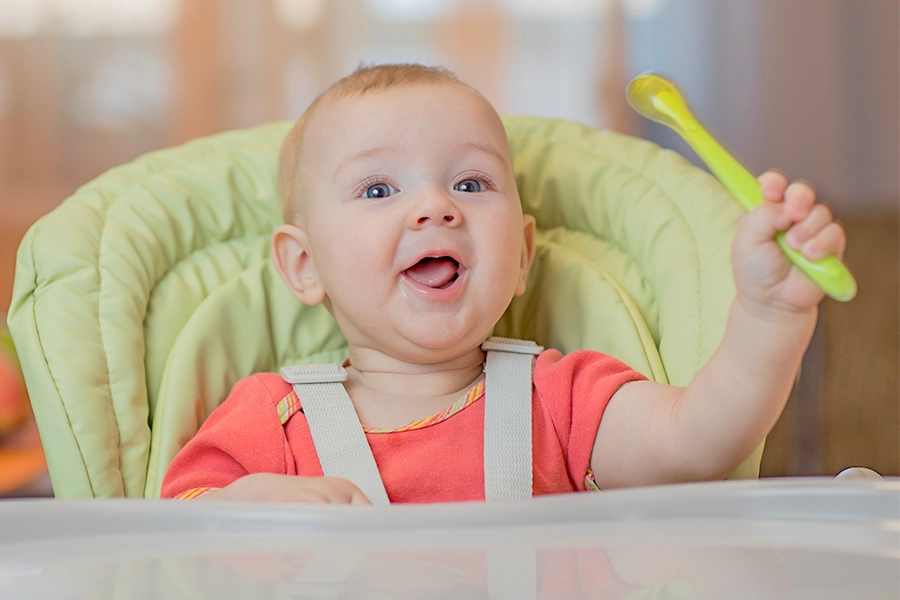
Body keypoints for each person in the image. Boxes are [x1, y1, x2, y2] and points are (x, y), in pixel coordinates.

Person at [161, 64, 846, 503]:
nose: (435, 206)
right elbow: (172, 545)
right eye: (378, 188)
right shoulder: (270, 419)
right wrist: (250, 510)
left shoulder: (560, 399)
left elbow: (697, 442)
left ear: (522, 255)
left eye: (470, 182)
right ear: (303, 266)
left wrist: (770, 315)